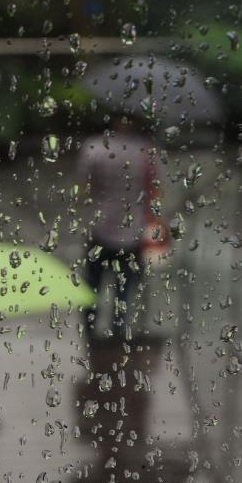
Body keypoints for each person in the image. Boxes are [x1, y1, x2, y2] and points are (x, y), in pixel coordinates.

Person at [76, 116, 157, 340]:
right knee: (124, 291)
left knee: (92, 287)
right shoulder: (146, 151)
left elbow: (84, 188)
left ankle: (90, 337)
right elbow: (154, 191)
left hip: (100, 228)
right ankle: (117, 339)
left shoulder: (93, 147)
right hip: (133, 231)